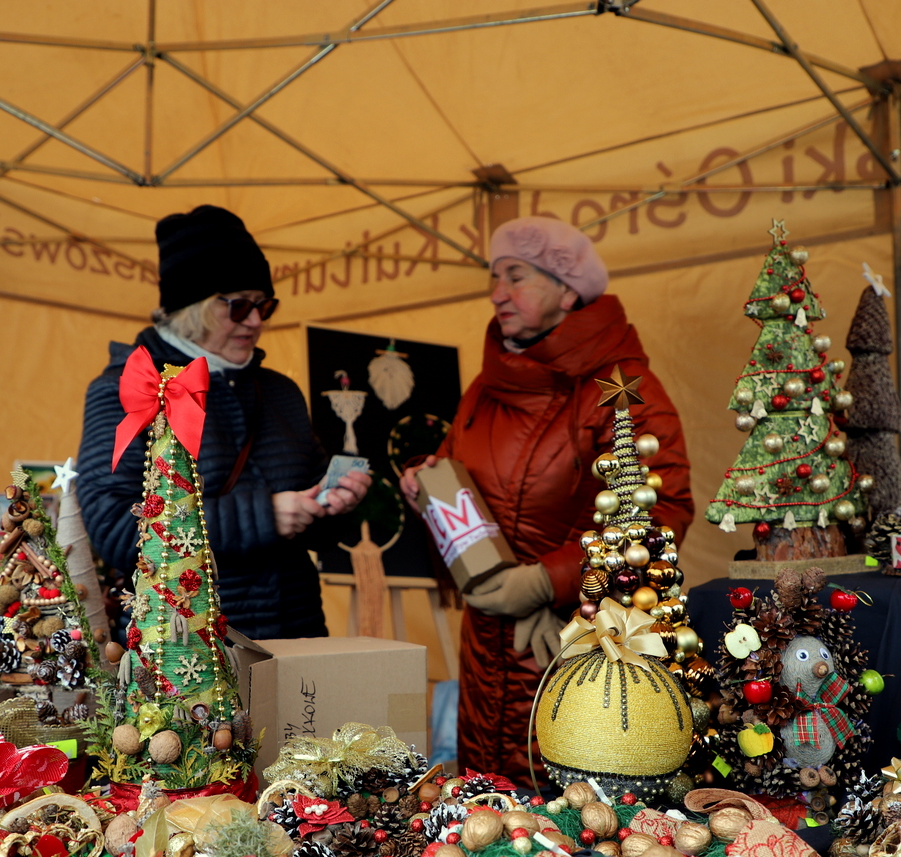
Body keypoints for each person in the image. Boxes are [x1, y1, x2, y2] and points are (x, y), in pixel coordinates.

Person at [400, 216, 693, 784]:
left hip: (576, 639)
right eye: (493, 278)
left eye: (515, 276)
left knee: (567, 805)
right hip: (485, 644)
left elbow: (661, 511)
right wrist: (425, 485)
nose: (497, 293)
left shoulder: (618, 385)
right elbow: (454, 462)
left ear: (567, 289)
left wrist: (549, 580)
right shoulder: (485, 387)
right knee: (489, 809)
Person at [78, 205, 369, 640]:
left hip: (296, 640)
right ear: (192, 306)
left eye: (263, 305)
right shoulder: (131, 387)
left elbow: (312, 518)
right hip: (183, 653)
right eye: (238, 307)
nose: (255, 321)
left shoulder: (279, 391)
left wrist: (335, 502)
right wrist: (264, 516)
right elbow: (115, 529)